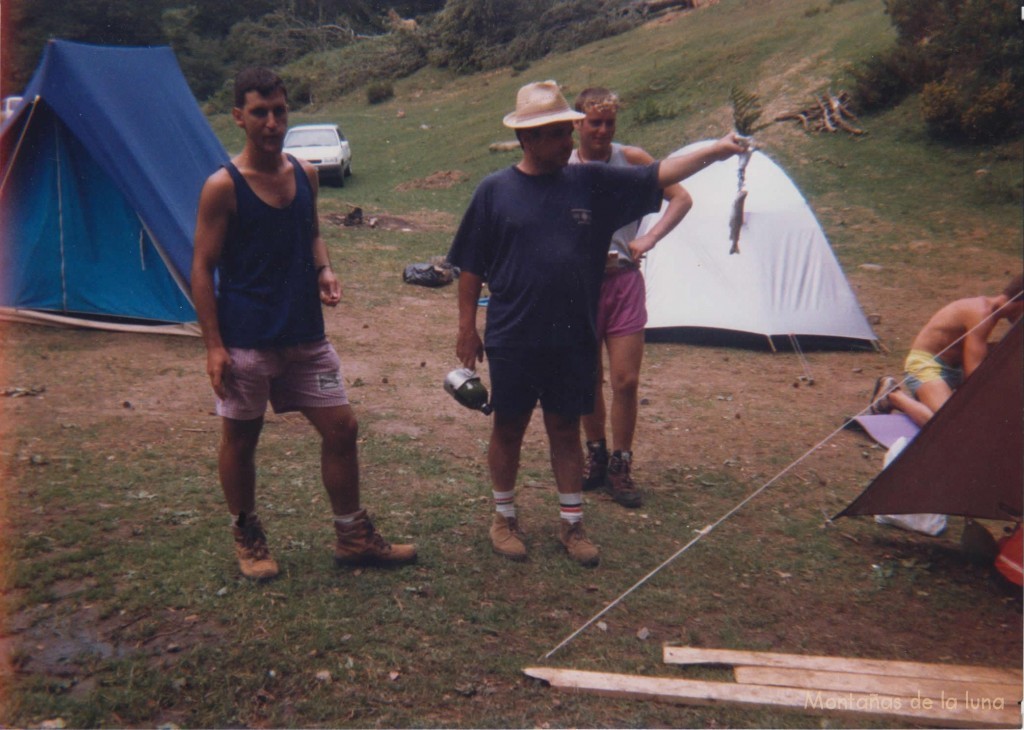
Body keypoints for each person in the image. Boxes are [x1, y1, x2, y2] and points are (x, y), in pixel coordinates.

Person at [447, 80, 745, 566]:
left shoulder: (592, 183)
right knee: (508, 426)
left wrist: (715, 151)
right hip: (513, 333)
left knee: (566, 428)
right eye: (560, 134)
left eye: (570, 130)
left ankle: (572, 525)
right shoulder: (494, 191)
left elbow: (660, 175)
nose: (572, 141)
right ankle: (503, 518)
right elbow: (471, 265)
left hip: (573, 336)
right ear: (528, 139)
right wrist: (466, 328)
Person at [190, 67, 416, 580]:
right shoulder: (222, 187)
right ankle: (247, 535)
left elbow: (312, 233)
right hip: (247, 339)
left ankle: (353, 537)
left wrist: (325, 268)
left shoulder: (305, 174)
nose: (272, 123)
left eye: (280, 111)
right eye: (260, 113)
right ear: (239, 118)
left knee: (342, 427)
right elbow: (202, 268)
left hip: (306, 335)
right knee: (241, 440)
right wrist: (213, 346)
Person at [570, 87, 693, 508]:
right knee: (587, 379)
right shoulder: (564, 165)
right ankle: (596, 456)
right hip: (581, 286)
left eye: (609, 123)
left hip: (623, 281)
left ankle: (622, 465)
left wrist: (650, 238)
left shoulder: (633, 159)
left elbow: (681, 197)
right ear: (577, 124)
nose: (602, 131)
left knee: (625, 380)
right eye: (594, 123)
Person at [871, 273, 1023, 427]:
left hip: (954, 368)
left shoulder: (991, 314)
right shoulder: (982, 314)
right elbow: (975, 376)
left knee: (1007, 350)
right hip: (926, 364)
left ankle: (934, 396)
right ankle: (893, 396)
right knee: (945, 424)